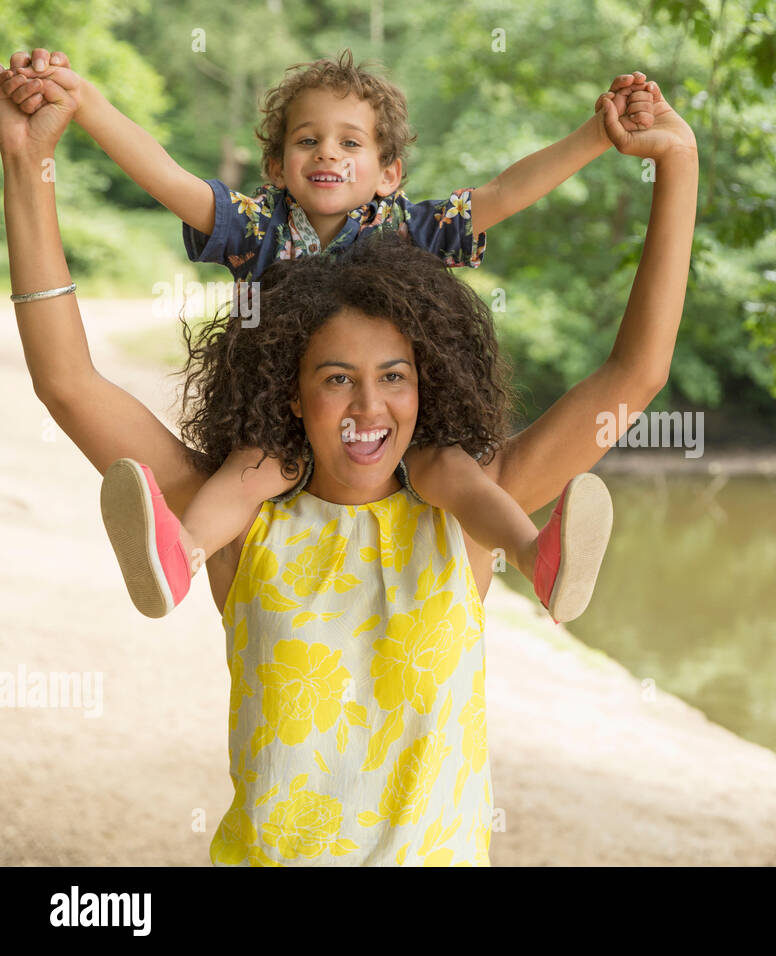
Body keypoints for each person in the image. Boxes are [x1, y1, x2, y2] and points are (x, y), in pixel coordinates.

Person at [3, 46, 698, 865]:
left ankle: (537, 558)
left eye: (394, 377)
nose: (369, 407)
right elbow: (68, 383)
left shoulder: (464, 512)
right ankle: (174, 555)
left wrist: (677, 163)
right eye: (336, 378)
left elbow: (636, 374)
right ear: (290, 391)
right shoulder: (243, 518)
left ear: (428, 383)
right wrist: (25, 162)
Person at [1, 48, 664, 623]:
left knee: (453, 470)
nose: (327, 153)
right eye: (307, 140)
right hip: (283, 420)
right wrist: (84, 102)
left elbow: (507, 190)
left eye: (351, 143)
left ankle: (534, 555)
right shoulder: (256, 226)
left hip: (401, 431)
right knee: (247, 472)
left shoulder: (411, 229)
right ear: (276, 163)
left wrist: (595, 135)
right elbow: (166, 176)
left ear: (389, 172)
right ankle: (181, 556)